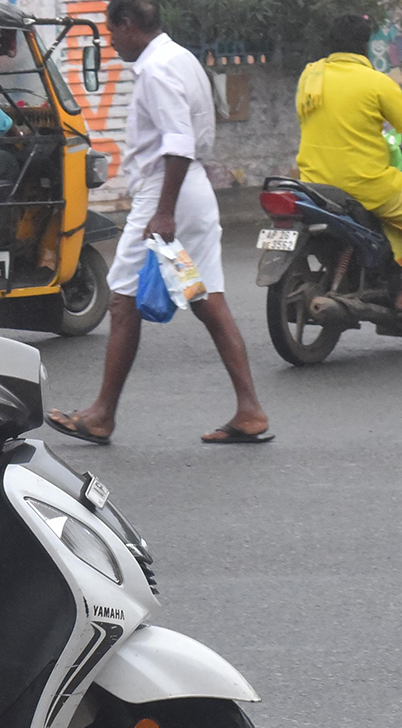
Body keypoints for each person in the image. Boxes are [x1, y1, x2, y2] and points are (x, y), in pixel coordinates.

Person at [45, 0, 272, 445]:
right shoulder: (180, 57)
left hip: (166, 195)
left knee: (123, 300)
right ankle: (250, 411)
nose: (109, 42)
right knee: (206, 297)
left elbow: (179, 141)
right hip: (192, 191)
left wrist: (163, 211)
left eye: (110, 32)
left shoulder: (156, 69)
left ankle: (101, 415)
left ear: (128, 25)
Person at [296, 13, 402, 311]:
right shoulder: (376, 83)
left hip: (312, 184)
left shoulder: (309, 76)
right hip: (365, 186)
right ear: (365, 45)